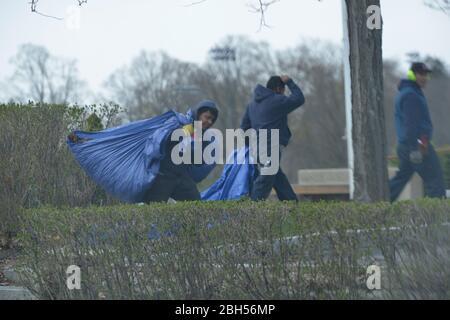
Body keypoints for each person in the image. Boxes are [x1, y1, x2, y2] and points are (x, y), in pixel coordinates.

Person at [240, 75, 305, 201]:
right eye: (283, 91)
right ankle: (250, 212)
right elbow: (299, 99)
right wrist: (290, 82)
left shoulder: (251, 105)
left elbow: (244, 128)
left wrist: (250, 147)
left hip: (257, 148)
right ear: (278, 89)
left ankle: (292, 206)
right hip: (271, 146)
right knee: (264, 181)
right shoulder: (277, 100)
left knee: (278, 180)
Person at [389, 62, 446, 202]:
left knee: (399, 180)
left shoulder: (408, 92)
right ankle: (438, 219)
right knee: (436, 181)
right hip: (418, 146)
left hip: (406, 146)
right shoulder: (411, 95)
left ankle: (377, 207)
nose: (425, 77)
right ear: (412, 74)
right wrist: (417, 147)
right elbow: (412, 124)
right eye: (421, 74)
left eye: (426, 74)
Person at [144, 100, 219, 203]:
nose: (209, 122)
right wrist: (182, 134)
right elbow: (161, 140)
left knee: (197, 207)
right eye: (207, 117)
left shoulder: (202, 136)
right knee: (153, 210)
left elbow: (197, 162)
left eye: (212, 120)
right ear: (198, 114)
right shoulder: (180, 123)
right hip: (162, 176)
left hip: (181, 177)